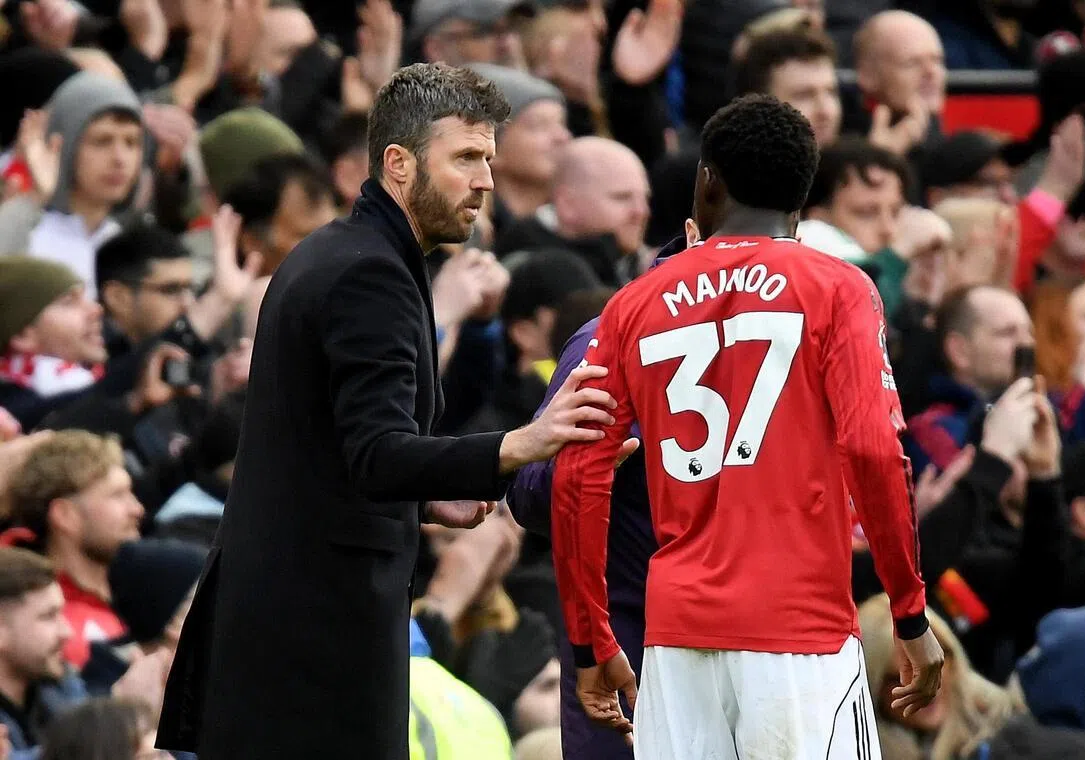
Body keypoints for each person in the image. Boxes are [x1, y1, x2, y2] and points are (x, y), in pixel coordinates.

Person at [155, 62, 617, 760]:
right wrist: (524, 443)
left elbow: (326, 452)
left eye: (489, 158)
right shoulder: (371, 273)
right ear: (398, 164)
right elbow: (376, 452)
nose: (486, 181)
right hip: (316, 645)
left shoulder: (338, 253)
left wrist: (428, 495)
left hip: (281, 631)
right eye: (466, 157)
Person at [550, 94, 945, 759]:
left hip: (676, 643)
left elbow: (577, 473)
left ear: (707, 180)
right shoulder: (838, 288)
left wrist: (593, 640)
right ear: (803, 201)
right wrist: (908, 610)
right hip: (800, 634)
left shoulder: (632, 306)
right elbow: (875, 451)